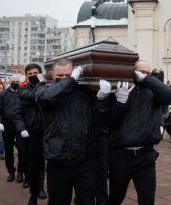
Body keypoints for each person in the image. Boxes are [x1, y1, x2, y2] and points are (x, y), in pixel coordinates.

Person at [35, 58, 118, 205]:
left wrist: (101, 99)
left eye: (68, 75)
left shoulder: (85, 93)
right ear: (53, 74)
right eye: (60, 76)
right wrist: (71, 80)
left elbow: (100, 121)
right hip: (58, 160)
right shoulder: (43, 91)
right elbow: (46, 98)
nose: (64, 79)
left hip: (85, 160)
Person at [108, 60, 171, 205]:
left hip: (145, 156)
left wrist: (147, 79)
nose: (144, 76)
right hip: (121, 157)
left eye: (148, 73)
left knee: (147, 199)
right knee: (115, 197)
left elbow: (169, 93)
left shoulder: (153, 92)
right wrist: (120, 102)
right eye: (142, 72)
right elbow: (112, 121)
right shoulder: (122, 90)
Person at [16, 63, 47, 204]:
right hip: (32, 133)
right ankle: (34, 193)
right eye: (30, 74)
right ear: (26, 76)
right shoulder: (23, 91)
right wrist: (22, 128)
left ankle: (41, 188)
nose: (33, 75)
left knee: (46, 164)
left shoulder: (48, 87)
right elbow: (35, 95)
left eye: (35, 73)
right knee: (35, 163)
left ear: (40, 73)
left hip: (48, 131)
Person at [0, 75, 28, 183]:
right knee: (8, 150)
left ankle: (21, 172)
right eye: (13, 81)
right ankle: (11, 171)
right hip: (8, 126)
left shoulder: (23, 93)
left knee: (22, 149)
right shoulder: (3, 94)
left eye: (17, 81)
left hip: (21, 126)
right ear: (9, 81)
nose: (15, 82)